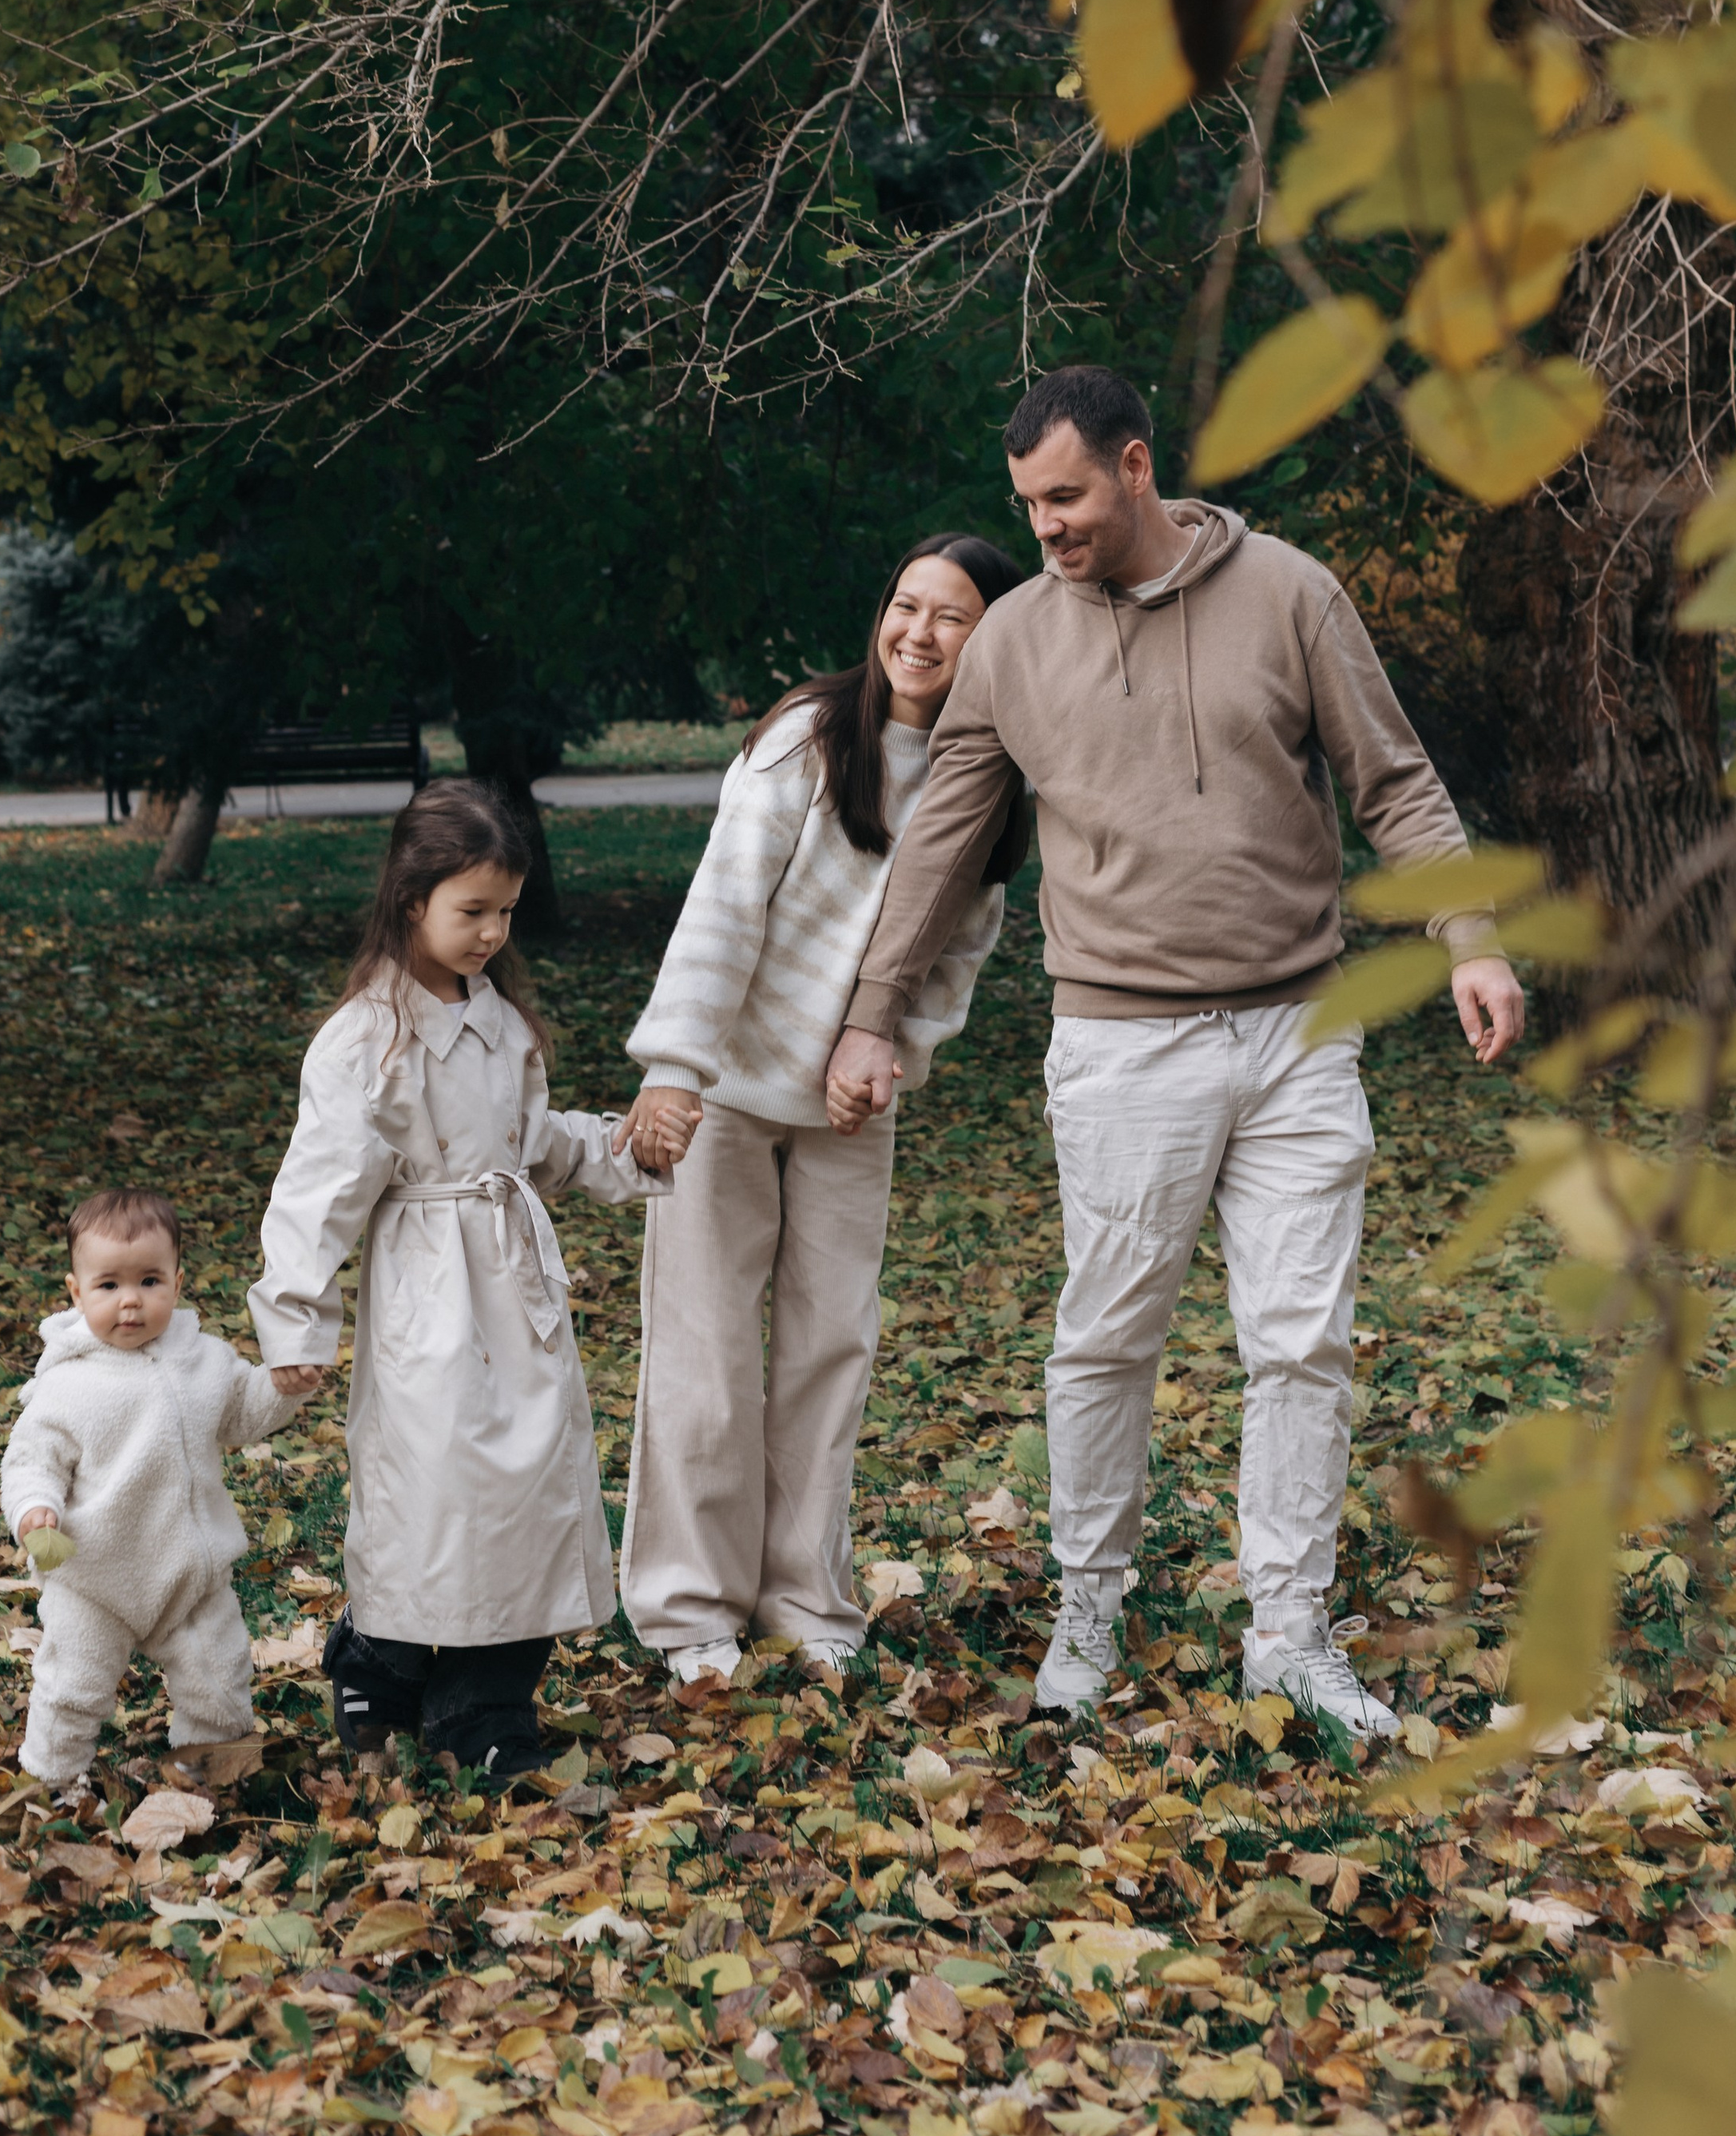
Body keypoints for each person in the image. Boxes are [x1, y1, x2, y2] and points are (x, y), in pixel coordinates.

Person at [826, 370, 1525, 1738]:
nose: (1047, 528)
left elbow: (1393, 778)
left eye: (1069, 498)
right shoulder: (1015, 640)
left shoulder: (1291, 595)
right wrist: (871, 1012)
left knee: (1302, 1344)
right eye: (1028, 504)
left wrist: (1471, 936)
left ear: (1137, 467)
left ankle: (1292, 1635)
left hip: (1297, 1033)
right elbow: (945, 839)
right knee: (1106, 1340)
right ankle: (1089, 1611)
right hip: (1122, 1043)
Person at [618, 532, 1029, 1689]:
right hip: (727, 1091)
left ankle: (804, 1595)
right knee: (703, 1355)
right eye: (906, 605)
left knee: (827, 1350)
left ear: (995, 639)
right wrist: (676, 1067)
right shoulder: (809, 736)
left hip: (852, 1108)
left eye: (953, 617)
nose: (919, 633)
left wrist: (894, 1053)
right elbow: (722, 906)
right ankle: (689, 1608)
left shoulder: (990, 776)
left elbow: (959, 957)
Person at [248, 781, 692, 1783]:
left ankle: (487, 1700)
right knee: (437, 1496)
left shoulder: (502, 1022)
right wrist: (297, 1325)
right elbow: (316, 1192)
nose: (493, 933)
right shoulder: (366, 1040)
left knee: (528, 1494)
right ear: (412, 900)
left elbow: (533, 1147)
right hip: (428, 1299)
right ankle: (382, 1658)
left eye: (506, 912)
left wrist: (630, 1144)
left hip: (516, 1290)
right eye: (471, 911)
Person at [1, 1187, 306, 1792]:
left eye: (149, 1281)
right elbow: (32, 1458)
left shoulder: (205, 1361)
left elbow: (243, 1411)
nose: (131, 1301)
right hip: (95, 1578)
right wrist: (36, 1508)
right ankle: (51, 1781)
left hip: (186, 1573)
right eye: (109, 1285)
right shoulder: (68, 1384)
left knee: (219, 1675)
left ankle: (206, 1767)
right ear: (76, 1291)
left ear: (177, 1279)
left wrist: (285, 1385)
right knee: (72, 1687)